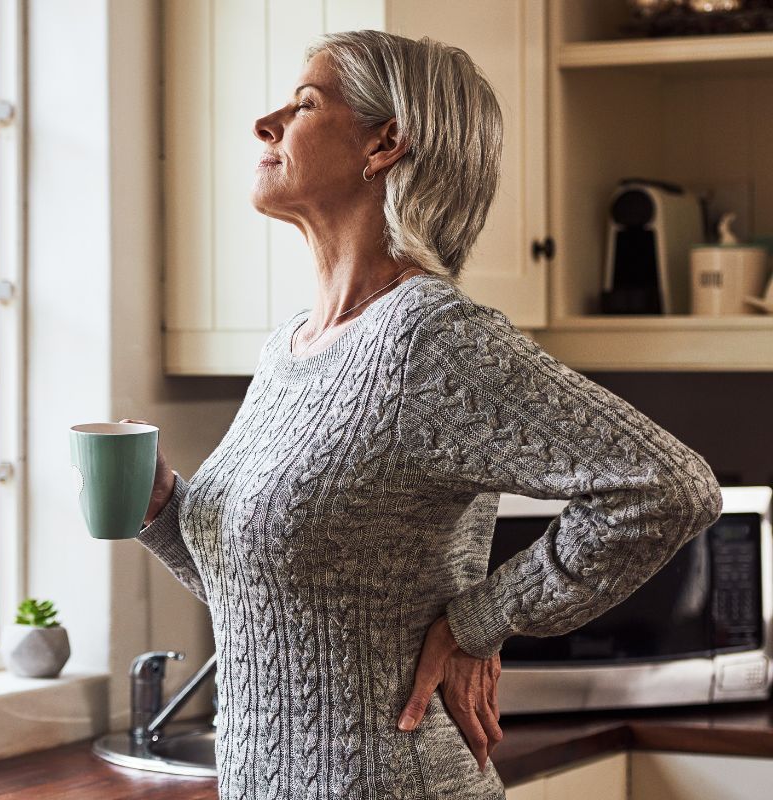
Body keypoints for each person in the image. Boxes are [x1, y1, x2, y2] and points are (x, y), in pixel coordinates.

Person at [125, 29, 723, 800]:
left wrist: (484, 619)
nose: (264, 124)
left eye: (304, 104)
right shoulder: (290, 351)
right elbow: (280, 603)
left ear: (386, 143)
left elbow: (670, 485)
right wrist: (165, 513)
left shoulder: (428, 339)